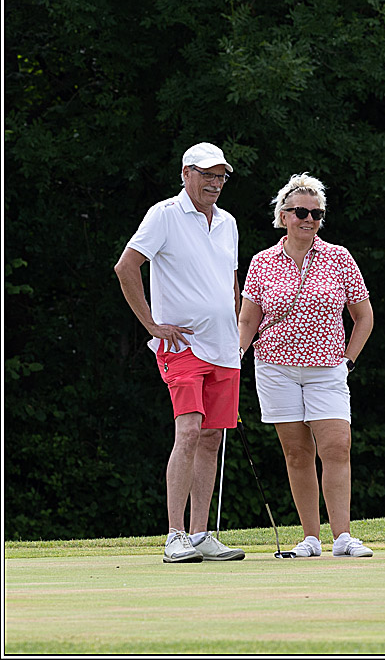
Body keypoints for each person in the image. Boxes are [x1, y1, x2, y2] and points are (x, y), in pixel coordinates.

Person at [114, 142, 246, 563]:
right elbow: (125, 266)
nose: (215, 183)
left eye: (221, 176)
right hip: (182, 346)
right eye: (207, 174)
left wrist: (238, 329)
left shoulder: (228, 223)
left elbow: (230, 284)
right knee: (188, 431)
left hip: (225, 349)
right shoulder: (164, 214)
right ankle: (175, 535)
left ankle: (201, 533)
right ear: (185, 174)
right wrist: (152, 325)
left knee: (211, 439)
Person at [238, 172, 375, 558]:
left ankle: (343, 537)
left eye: (316, 213)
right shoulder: (262, 262)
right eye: (300, 212)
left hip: (328, 368)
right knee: (297, 453)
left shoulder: (339, 257)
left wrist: (348, 360)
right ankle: (311, 539)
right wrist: (237, 355)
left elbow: (363, 316)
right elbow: (248, 320)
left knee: (337, 447)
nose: (308, 219)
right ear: (283, 216)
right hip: (275, 367)